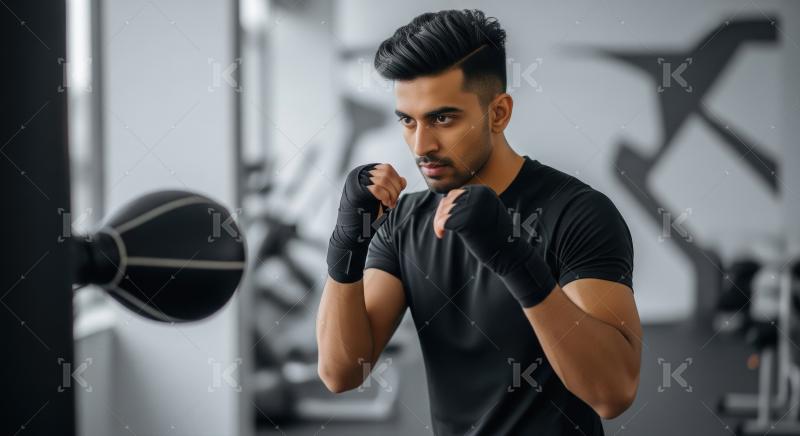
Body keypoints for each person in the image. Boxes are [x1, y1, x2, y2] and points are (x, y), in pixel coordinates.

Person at [316, 9, 642, 435]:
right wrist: (346, 244)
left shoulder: (578, 213)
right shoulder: (404, 224)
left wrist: (515, 260)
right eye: (408, 121)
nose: (421, 145)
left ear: (499, 113)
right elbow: (341, 374)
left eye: (442, 118)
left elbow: (612, 392)